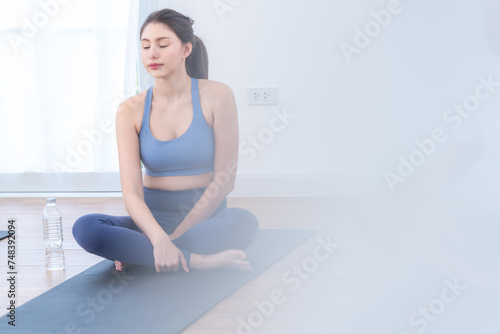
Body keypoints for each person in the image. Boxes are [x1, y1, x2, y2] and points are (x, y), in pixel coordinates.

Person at [72, 8, 259, 274]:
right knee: (86, 227)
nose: (152, 54)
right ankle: (198, 261)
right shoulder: (130, 110)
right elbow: (132, 194)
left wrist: (170, 240)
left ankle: (145, 255)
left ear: (186, 49)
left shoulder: (217, 95)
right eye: (145, 46)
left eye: (162, 44)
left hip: (205, 218)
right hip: (151, 220)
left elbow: (225, 179)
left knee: (244, 222)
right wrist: (158, 237)